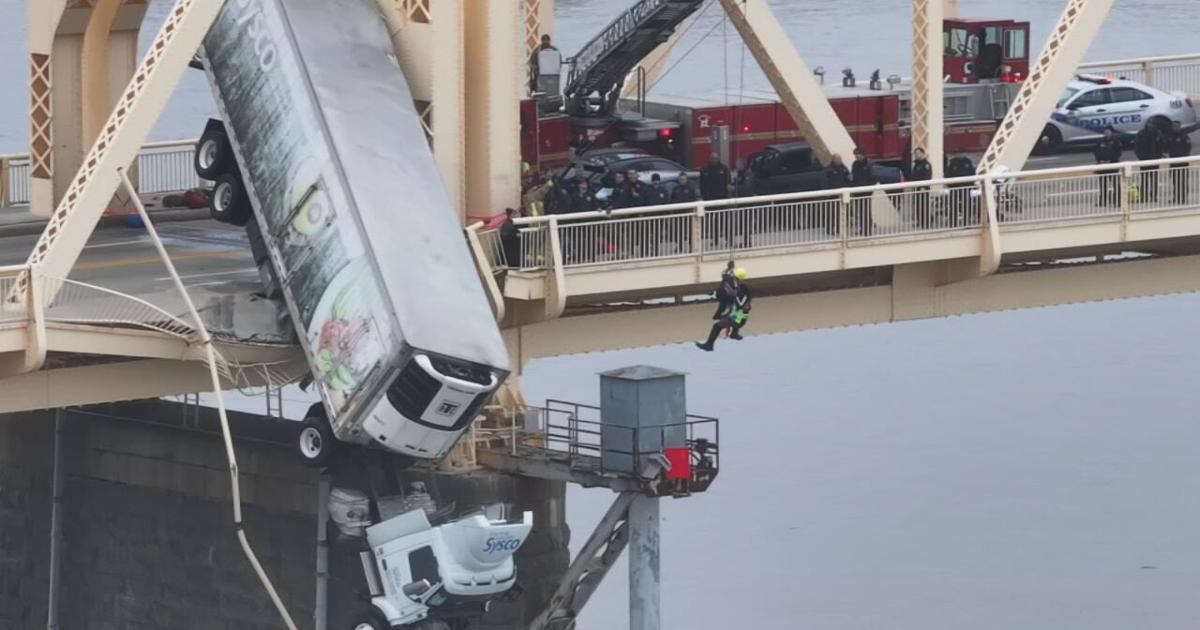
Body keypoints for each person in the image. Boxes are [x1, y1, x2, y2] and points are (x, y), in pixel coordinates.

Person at [696, 267, 751, 351]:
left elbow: (740, 305)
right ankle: (734, 333)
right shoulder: (743, 294)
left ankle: (709, 345)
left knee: (716, 326)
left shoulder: (742, 296)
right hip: (739, 319)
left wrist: (735, 296)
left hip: (737, 320)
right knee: (725, 318)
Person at [1134, 119, 1166, 202]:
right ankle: (1144, 196)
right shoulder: (1141, 134)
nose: (1150, 125)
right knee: (1144, 180)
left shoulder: (1157, 133)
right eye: (1149, 123)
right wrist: (1141, 157)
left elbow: (1162, 145)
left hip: (1155, 160)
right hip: (1144, 160)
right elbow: (1137, 147)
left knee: (1154, 180)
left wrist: (1158, 156)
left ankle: (1154, 196)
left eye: (1152, 124)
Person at [1093, 125, 1123, 207]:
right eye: (1105, 131)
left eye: (1108, 131)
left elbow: (1118, 153)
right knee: (1103, 185)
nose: (1106, 133)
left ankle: (1117, 201)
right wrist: (1100, 160)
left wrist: (1111, 160)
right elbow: (1096, 151)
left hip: (1112, 166)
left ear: (1112, 132)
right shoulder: (1100, 141)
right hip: (1102, 166)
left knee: (1116, 184)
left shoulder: (1116, 141)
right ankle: (1102, 201)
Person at [945, 150, 976, 226]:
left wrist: (970, 185)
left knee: (966, 206)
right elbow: (948, 174)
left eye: (961, 153)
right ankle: (953, 223)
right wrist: (950, 185)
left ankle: (966, 223)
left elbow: (972, 174)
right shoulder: (952, 162)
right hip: (954, 188)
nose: (959, 154)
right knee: (953, 206)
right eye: (958, 153)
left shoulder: (968, 162)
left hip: (966, 188)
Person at [849, 148, 876, 236]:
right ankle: (862, 227)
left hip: (866, 191)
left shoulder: (869, 164)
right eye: (855, 155)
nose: (857, 156)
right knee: (859, 211)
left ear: (862, 154)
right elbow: (853, 176)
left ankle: (867, 229)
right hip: (857, 190)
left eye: (858, 154)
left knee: (866, 210)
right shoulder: (855, 164)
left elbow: (873, 177)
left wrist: (869, 188)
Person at [822, 154, 851, 235]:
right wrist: (826, 192)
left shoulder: (844, 168)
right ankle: (829, 229)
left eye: (840, 159)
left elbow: (848, 178)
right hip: (832, 194)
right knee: (831, 213)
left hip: (842, 193)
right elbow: (824, 182)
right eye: (837, 159)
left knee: (841, 212)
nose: (839, 161)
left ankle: (839, 229)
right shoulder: (828, 169)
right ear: (833, 160)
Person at [1166, 120, 1192, 204]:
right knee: (1175, 181)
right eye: (1173, 126)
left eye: (1176, 126)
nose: (1175, 128)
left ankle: (1183, 198)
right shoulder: (1169, 136)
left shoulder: (1184, 137)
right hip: (1173, 162)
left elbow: (1188, 148)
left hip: (1183, 162)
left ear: (1180, 127)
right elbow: (1166, 147)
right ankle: (1176, 197)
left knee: (1183, 181)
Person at [910, 147, 934, 228]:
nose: (917, 155)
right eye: (915, 154)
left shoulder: (926, 165)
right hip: (916, 189)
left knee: (924, 206)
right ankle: (920, 221)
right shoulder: (916, 165)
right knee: (918, 206)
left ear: (923, 154)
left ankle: (926, 222)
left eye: (918, 153)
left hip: (923, 189)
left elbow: (927, 177)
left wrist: (924, 187)